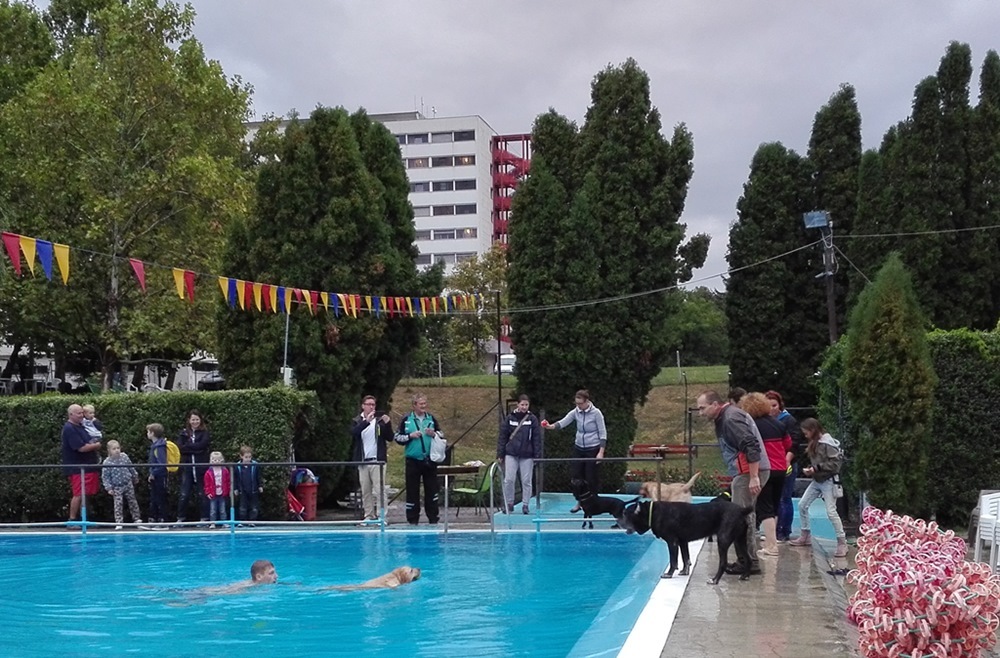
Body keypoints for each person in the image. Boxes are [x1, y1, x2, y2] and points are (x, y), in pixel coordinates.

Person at [696, 389, 770, 575]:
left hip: (748, 473)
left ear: (715, 404)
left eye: (702, 408)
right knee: (744, 516)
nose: (700, 413)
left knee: (741, 518)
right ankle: (747, 560)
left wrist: (753, 476)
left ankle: (748, 562)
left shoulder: (730, 419)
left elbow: (751, 445)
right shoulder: (726, 417)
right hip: (746, 472)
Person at [739, 392, 790, 557]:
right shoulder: (778, 424)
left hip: (765, 469)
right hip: (781, 469)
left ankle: (771, 546)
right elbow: (788, 444)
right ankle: (772, 540)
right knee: (774, 506)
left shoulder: (752, 425)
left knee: (764, 507)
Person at [789, 419, 848, 557]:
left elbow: (835, 464)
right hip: (817, 480)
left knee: (831, 512)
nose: (805, 435)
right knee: (802, 505)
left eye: (806, 432)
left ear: (813, 430)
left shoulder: (828, 443)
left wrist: (816, 468)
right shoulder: (816, 443)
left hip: (828, 481)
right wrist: (813, 470)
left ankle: (842, 542)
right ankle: (805, 534)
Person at [541, 390, 606, 514]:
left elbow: (603, 433)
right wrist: (550, 426)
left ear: (587, 401)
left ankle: (593, 503)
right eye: (577, 404)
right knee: (576, 477)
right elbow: (563, 422)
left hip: (593, 448)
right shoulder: (575, 412)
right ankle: (579, 502)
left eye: (580, 404)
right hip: (579, 448)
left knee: (591, 478)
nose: (578, 406)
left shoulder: (596, 413)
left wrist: (601, 452)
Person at [394, 393, 444, 525]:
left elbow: (441, 434)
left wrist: (434, 434)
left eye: (425, 403)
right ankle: (412, 519)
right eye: (421, 404)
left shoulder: (431, 418)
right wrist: (410, 436)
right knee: (412, 491)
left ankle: (433, 518)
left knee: (431, 490)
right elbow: (397, 437)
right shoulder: (406, 419)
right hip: (413, 461)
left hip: (429, 460)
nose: (423, 406)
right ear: (414, 405)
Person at [765, 390, 805, 542]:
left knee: (785, 497)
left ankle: (784, 531)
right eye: (768, 406)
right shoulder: (766, 421)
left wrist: (787, 460)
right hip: (773, 465)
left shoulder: (788, 420)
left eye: (774, 405)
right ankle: (774, 531)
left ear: (780, 405)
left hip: (786, 464)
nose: (772, 409)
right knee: (774, 498)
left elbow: (794, 443)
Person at [497, 394, 541, 514]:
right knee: (509, 479)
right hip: (511, 453)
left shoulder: (532, 419)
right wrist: (500, 454)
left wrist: (537, 455)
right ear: (517, 404)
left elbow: (536, 438)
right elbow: (503, 437)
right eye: (522, 404)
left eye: (526, 405)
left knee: (526, 480)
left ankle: (525, 504)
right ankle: (509, 503)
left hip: (527, 454)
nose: (524, 407)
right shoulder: (510, 418)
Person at [351, 396, 392, 524]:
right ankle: (368, 515)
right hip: (363, 461)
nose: (371, 407)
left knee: (380, 490)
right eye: (368, 404)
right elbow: (354, 433)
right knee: (366, 490)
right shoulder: (357, 421)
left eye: (373, 404)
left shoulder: (379, 421)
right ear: (363, 406)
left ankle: (382, 516)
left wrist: (388, 424)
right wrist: (366, 422)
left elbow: (390, 437)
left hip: (377, 461)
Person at [61, 403, 103, 525]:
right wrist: (96, 446)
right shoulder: (70, 428)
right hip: (77, 467)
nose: (81, 415)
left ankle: (83, 518)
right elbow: (81, 448)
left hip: (87, 466)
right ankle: (72, 520)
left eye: (82, 413)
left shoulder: (81, 426)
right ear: (71, 414)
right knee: (78, 494)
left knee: (86, 494)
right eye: (79, 413)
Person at [176, 410, 211, 524]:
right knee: (184, 494)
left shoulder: (204, 433)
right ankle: (180, 518)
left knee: (202, 493)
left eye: (197, 419)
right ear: (189, 420)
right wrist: (194, 448)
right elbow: (180, 447)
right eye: (193, 419)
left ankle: (204, 518)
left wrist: (189, 447)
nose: (195, 422)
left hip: (201, 467)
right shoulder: (184, 433)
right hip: (187, 467)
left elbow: (202, 446)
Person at [102, 439, 143, 530]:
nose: (117, 450)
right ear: (109, 450)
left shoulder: (124, 457)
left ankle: (137, 519)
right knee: (118, 504)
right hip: (116, 486)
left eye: (118, 448)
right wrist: (109, 488)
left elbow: (131, 467)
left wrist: (135, 476)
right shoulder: (107, 462)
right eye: (114, 449)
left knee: (133, 501)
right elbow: (105, 477)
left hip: (128, 483)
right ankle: (119, 522)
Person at [319, 566, 421, 591]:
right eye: (411, 571)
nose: (416, 570)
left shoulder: (392, 576)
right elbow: (391, 586)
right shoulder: (394, 581)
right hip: (364, 588)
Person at [234, 446, 263, 524]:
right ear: (241, 456)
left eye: (249, 457)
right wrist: (235, 488)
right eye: (246, 457)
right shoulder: (237, 466)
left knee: (254, 507)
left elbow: (258, 476)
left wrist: (260, 485)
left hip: (253, 489)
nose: (248, 459)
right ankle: (242, 521)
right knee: (242, 507)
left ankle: (252, 521)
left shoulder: (255, 465)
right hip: (242, 490)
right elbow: (235, 478)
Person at [146, 423, 168, 526]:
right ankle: (154, 518)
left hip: (160, 476)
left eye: (148, 432)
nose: (147, 434)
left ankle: (163, 519)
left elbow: (162, 463)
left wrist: (153, 473)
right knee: (154, 498)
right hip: (156, 475)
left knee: (160, 498)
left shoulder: (159, 447)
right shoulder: (155, 446)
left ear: (152, 433)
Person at [203, 451, 231, 529]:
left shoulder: (225, 470)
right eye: (214, 460)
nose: (216, 461)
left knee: (223, 510)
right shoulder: (208, 472)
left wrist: (228, 490)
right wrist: (207, 492)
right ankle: (212, 523)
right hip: (213, 494)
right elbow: (206, 484)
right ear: (211, 460)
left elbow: (228, 481)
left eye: (218, 460)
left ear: (221, 460)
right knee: (213, 510)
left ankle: (224, 523)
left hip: (222, 493)